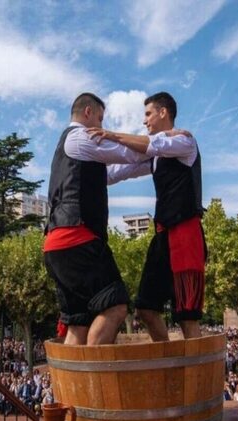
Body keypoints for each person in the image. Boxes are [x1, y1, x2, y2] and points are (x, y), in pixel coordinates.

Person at [88, 92, 206, 341]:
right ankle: (169, 362)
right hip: (162, 236)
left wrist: (112, 135)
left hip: (185, 233)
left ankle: (195, 375)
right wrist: (83, 168)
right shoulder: (155, 157)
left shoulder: (185, 142)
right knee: (145, 307)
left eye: (148, 114)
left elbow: (155, 144)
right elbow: (118, 172)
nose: (145, 121)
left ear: (163, 113)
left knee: (187, 316)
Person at [44, 92, 151, 345]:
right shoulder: (81, 137)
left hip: (55, 245)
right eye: (100, 119)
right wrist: (163, 143)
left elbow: (117, 172)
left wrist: (153, 164)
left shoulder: (70, 151)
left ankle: (69, 384)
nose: (102, 127)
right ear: (88, 113)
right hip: (77, 239)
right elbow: (130, 154)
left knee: (78, 323)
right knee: (115, 306)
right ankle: (94, 381)